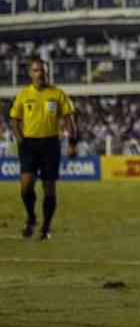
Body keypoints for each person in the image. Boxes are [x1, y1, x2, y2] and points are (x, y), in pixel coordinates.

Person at [9, 57, 77, 240]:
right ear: (31, 73)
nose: (40, 74)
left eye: (43, 71)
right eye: (37, 70)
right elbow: (14, 120)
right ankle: (31, 217)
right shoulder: (23, 95)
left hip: (50, 144)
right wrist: (21, 140)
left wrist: (72, 143)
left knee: (49, 188)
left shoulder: (57, 94)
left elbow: (69, 119)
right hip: (29, 144)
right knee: (25, 187)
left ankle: (46, 226)